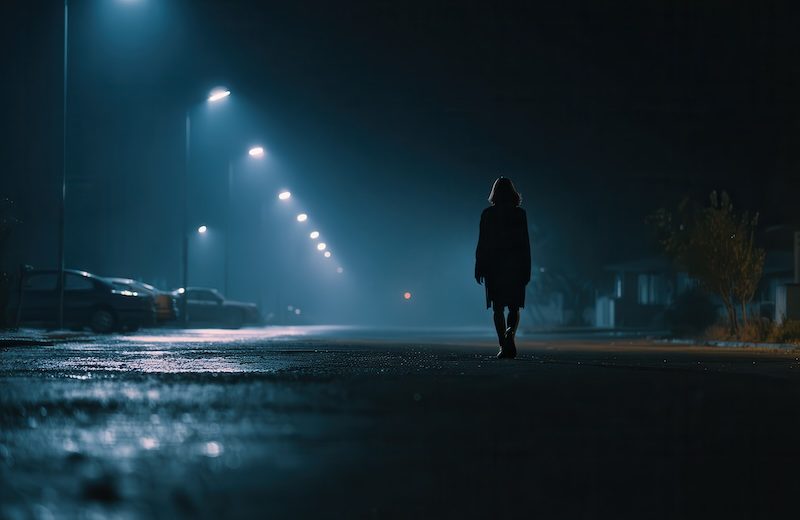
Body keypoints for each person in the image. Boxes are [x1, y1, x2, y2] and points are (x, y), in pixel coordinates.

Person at [475, 177, 531, 359]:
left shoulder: (488, 214)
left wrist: (479, 266)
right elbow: (525, 244)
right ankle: (510, 335)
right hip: (515, 266)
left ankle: (502, 343)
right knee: (514, 307)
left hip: (494, 266)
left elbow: (482, 243)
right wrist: (526, 268)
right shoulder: (519, 214)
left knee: (497, 308)